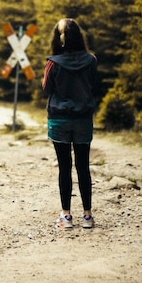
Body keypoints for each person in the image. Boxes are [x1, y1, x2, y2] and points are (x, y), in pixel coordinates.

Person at [42, 18, 98, 229]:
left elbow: (46, 88)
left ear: (61, 39)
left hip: (59, 120)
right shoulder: (91, 60)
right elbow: (92, 84)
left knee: (64, 167)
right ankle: (87, 216)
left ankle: (66, 217)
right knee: (83, 167)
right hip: (83, 119)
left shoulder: (53, 63)